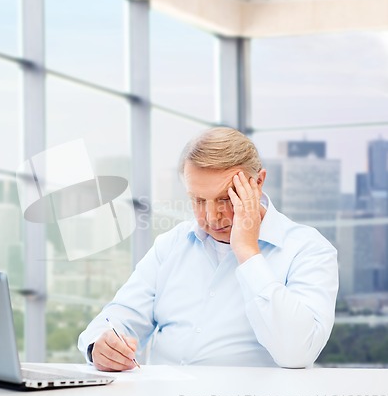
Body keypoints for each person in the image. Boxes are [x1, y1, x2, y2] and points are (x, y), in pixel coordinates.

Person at [78, 127, 339, 371]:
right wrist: (99, 346)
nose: (212, 217)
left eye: (227, 199)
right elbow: (120, 317)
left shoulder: (308, 250)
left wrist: (248, 252)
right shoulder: (172, 244)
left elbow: (297, 354)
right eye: (199, 200)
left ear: (258, 183)